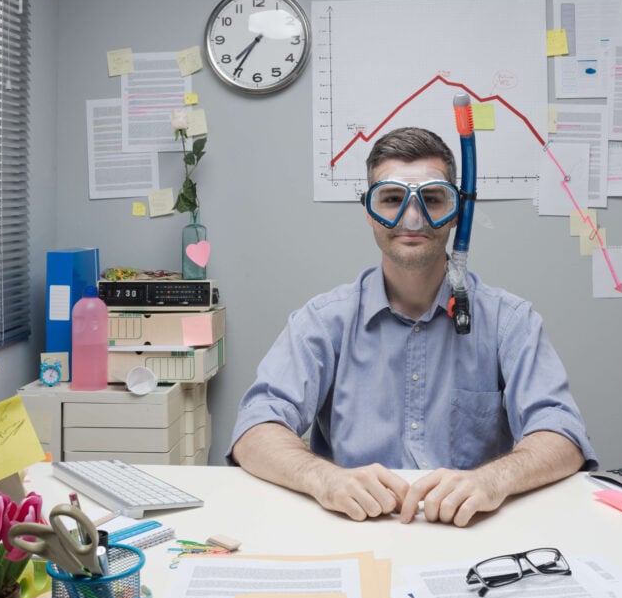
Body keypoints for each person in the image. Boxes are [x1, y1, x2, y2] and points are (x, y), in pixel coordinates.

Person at [228, 126, 597, 527]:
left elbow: (563, 434)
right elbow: (255, 428)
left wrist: (492, 480)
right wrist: (325, 479)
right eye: (391, 199)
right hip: (355, 530)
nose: (413, 218)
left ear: (456, 212)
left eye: (433, 199)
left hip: (471, 532)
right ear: (369, 211)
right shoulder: (322, 322)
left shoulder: (509, 321)